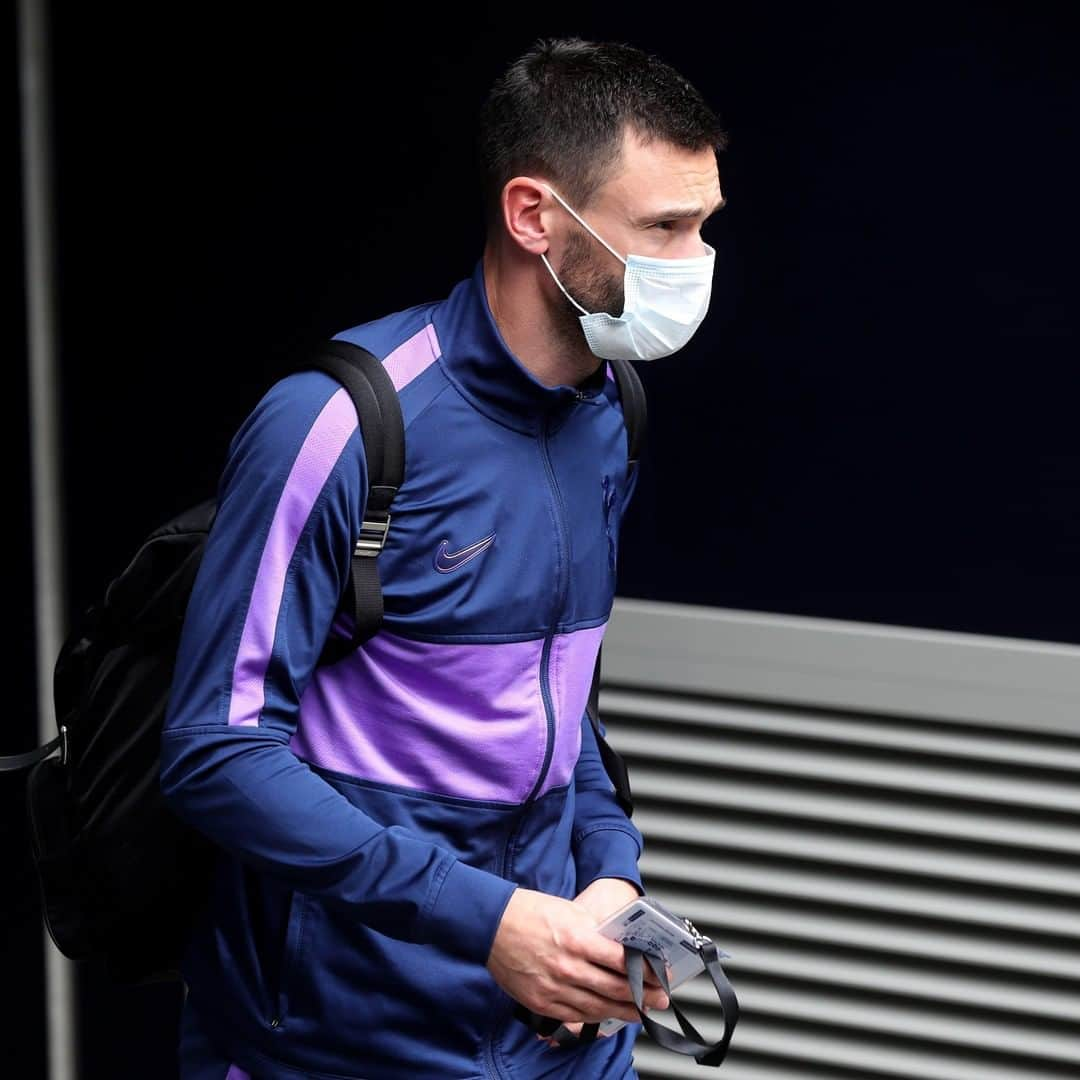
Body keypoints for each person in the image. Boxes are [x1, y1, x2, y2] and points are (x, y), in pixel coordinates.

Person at [160, 35, 726, 1080]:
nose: (693, 261)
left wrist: (609, 878)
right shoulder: (336, 423)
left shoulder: (613, 413)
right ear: (533, 215)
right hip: (343, 1041)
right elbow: (213, 750)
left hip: (561, 1033)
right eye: (664, 227)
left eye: (704, 225)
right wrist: (490, 922)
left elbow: (555, 709)